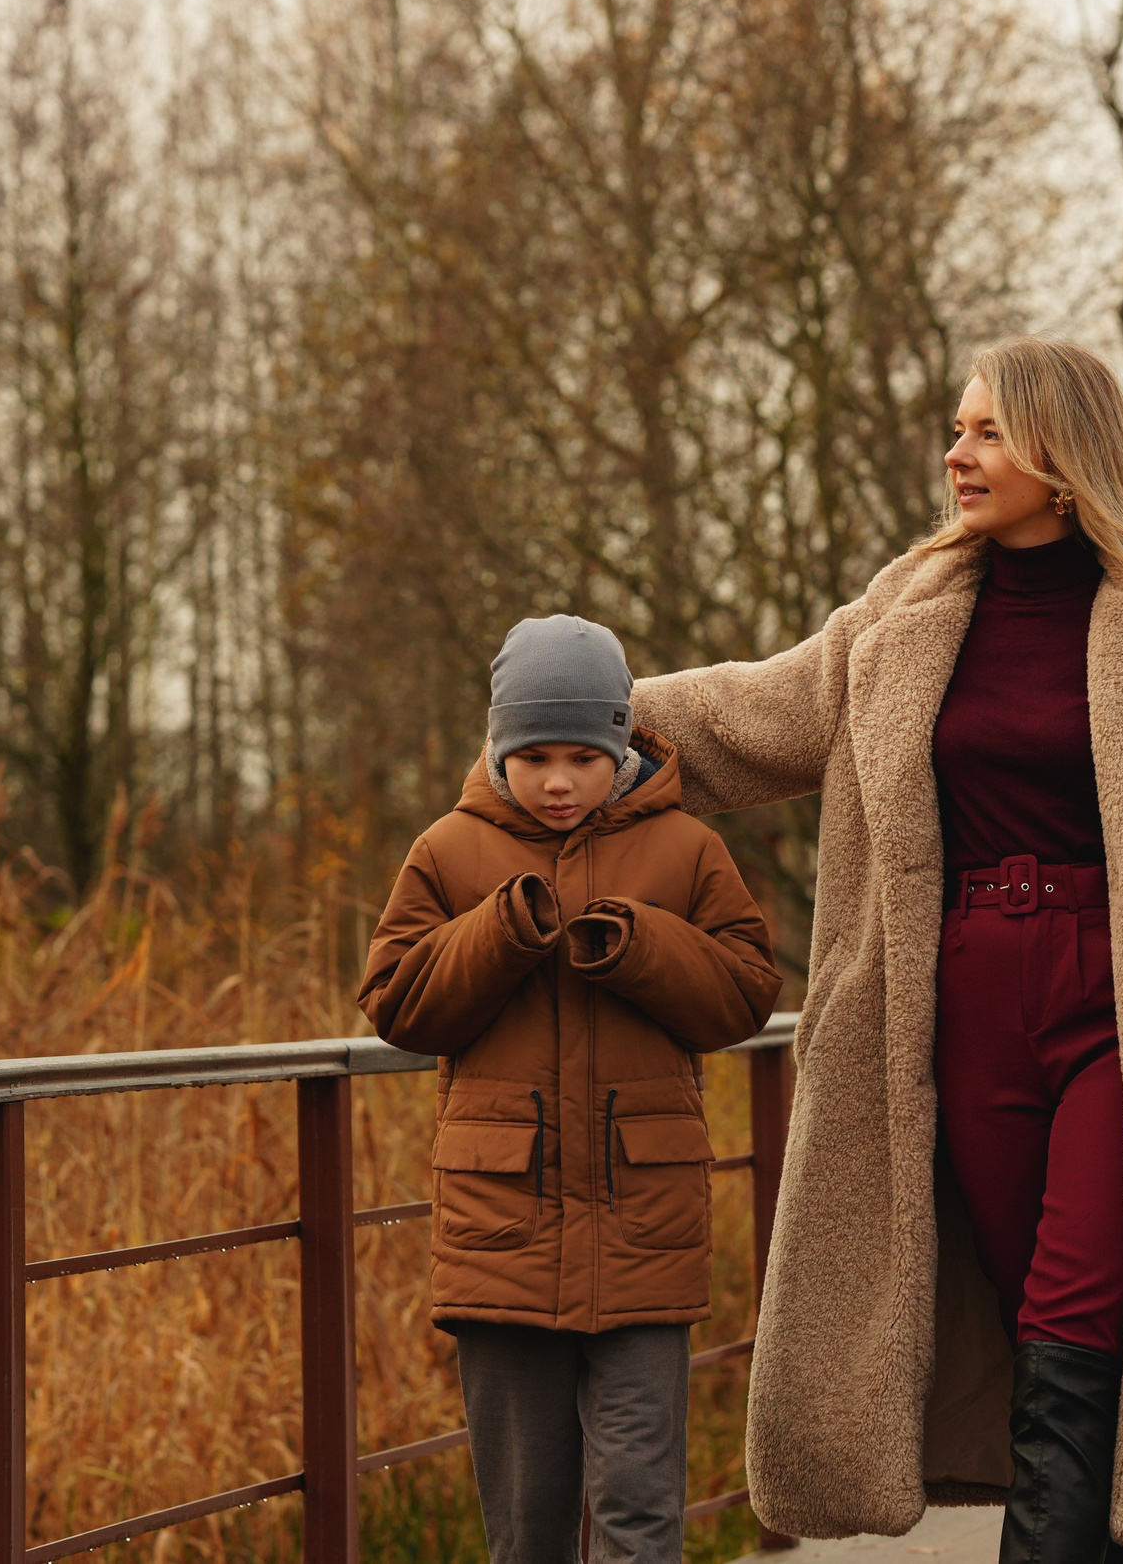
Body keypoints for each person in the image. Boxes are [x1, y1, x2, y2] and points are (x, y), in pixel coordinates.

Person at [628, 337, 1123, 1564]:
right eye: (957, 430)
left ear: (1064, 454)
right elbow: (753, 717)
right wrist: (577, 717)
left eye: (986, 432)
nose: (957, 454)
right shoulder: (904, 619)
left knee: (1078, 1304)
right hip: (955, 1008)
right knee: (1027, 1317)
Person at [358, 613, 781, 1564]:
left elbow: (746, 993)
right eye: (535, 755)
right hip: (499, 1234)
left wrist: (641, 944)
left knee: (641, 1517)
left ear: (622, 743)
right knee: (527, 1530)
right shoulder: (447, 850)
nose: (558, 780)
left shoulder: (686, 848)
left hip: (644, 1233)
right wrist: (501, 930)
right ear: (500, 746)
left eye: (584, 756)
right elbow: (396, 1003)